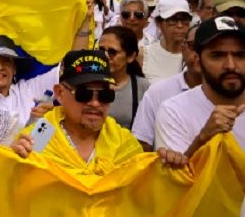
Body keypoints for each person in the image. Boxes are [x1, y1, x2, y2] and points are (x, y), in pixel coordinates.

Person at [12, 50, 183, 176]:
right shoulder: (43, 132)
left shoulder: (121, 141)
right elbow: (18, 182)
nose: (95, 103)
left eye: (104, 95)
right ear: (59, 93)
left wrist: (169, 168)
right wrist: (13, 161)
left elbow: (141, 191)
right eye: (84, 94)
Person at [154, 16, 245, 156]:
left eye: (240, 55)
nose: (231, 66)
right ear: (197, 61)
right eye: (217, 56)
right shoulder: (174, 111)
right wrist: (203, 138)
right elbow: (176, 176)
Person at [132, 23, 200, 150]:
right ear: (183, 47)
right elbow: (142, 145)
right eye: (194, 46)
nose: (200, 54)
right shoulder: (158, 92)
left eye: (209, 48)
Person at [98, 25, 149, 130]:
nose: (105, 56)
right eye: (101, 50)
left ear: (130, 56)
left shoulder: (142, 87)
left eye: (112, 52)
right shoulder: (87, 82)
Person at [142, 0, 191, 83]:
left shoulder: (195, 56)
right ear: (158, 23)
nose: (179, 25)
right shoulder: (144, 54)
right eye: (172, 20)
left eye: (184, 19)